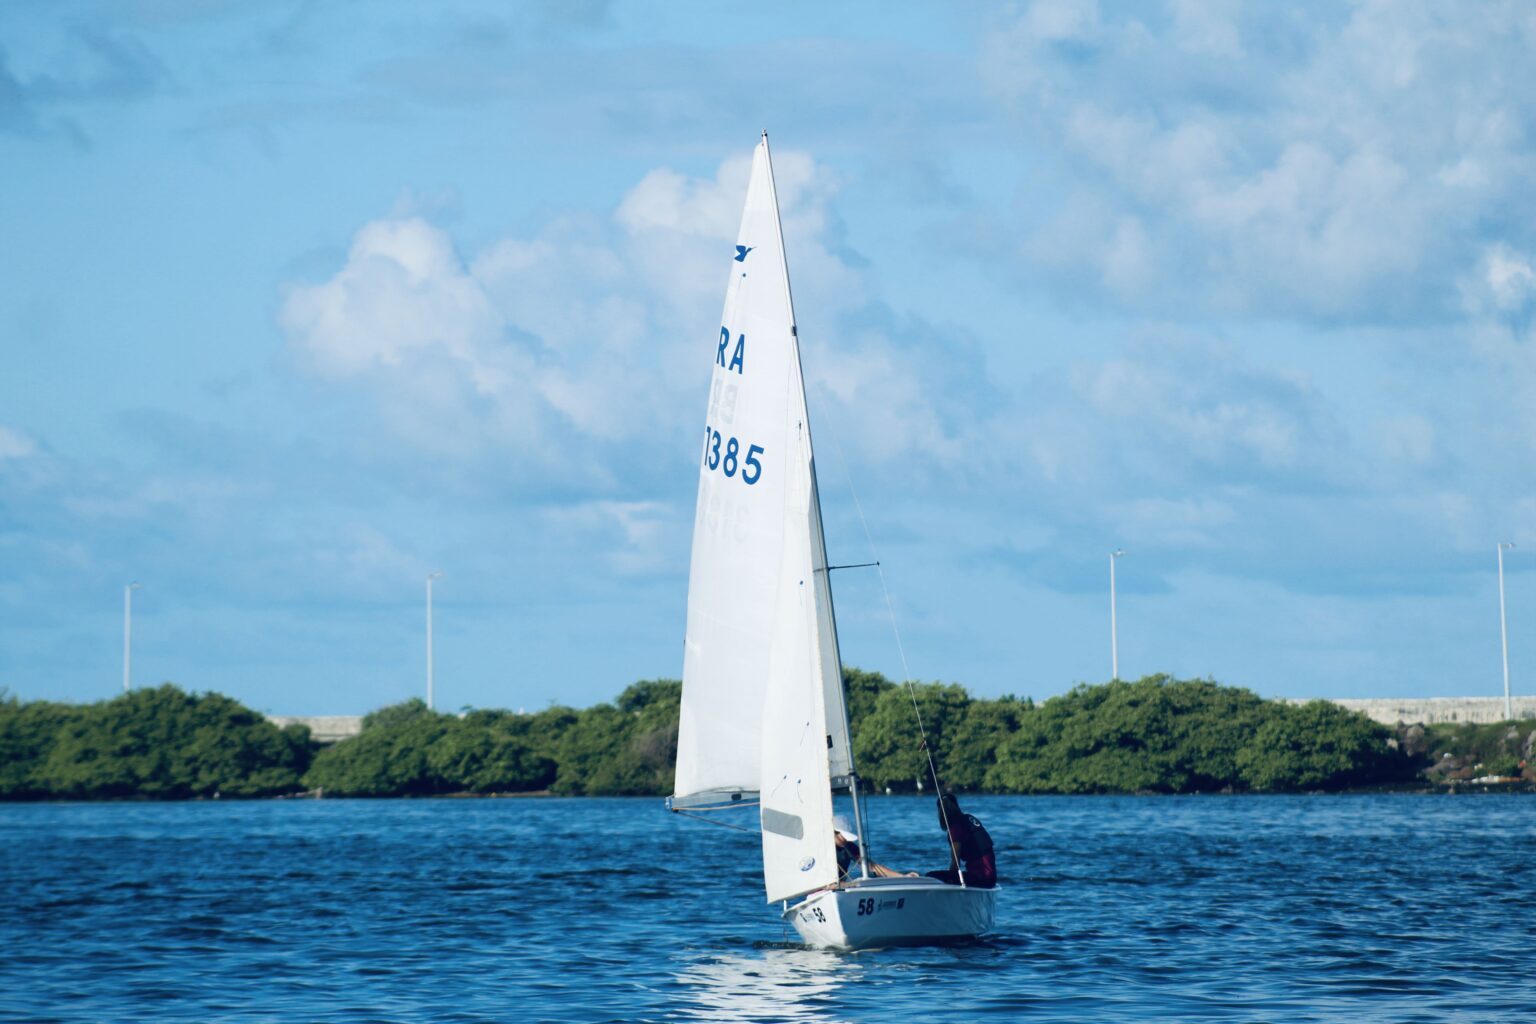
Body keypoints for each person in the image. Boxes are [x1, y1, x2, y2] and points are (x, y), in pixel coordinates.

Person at [926, 793, 996, 888]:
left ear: (940, 812)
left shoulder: (955, 828)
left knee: (931, 876)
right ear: (957, 806)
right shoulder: (970, 819)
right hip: (991, 879)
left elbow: (955, 865)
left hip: (980, 879)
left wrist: (950, 878)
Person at [832, 815, 917, 881]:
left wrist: (903, 876)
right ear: (833, 833)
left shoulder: (849, 846)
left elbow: (872, 867)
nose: (845, 841)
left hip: (842, 886)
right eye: (843, 838)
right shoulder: (825, 849)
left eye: (847, 838)